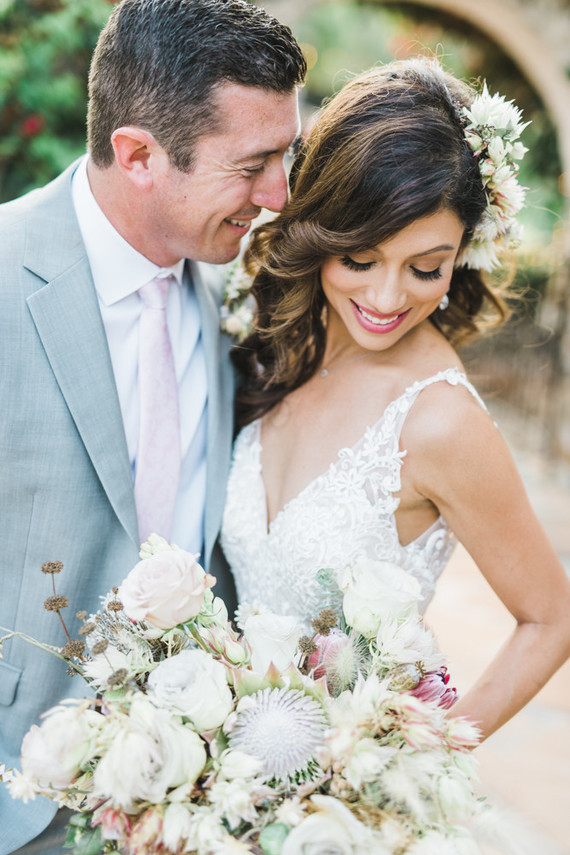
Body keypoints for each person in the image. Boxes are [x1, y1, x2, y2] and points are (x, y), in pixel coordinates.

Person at [0, 0, 305, 851]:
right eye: (253, 165)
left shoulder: (225, 293)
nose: (278, 196)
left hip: (182, 802)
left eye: (287, 156)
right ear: (137, 154)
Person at [222, 58, 570, 745]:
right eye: (359, 258)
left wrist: (414, 760)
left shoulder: (440, 422)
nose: (386, 300)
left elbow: (552, 617)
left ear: (462, 254)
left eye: (426, 268)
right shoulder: (279, 345)